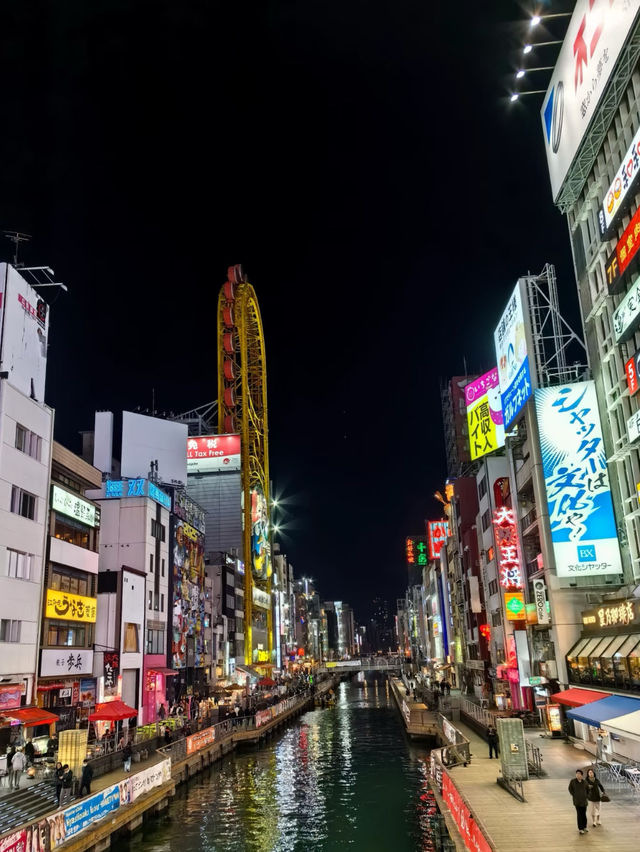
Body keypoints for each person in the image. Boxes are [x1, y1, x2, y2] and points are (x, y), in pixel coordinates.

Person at [568, 769, 589, 835]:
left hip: (584, 801)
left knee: (584, 815)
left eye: (579, 774)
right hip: (577, 801)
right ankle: (580, 828)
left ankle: (584, 827)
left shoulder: (585, 782)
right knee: (579, 815)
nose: (577, 775)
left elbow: (588, 790)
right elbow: (570, 789)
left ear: (582, 775)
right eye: (577, 774)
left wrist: (586, 796)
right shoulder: (573, 781)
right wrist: (574, 795)